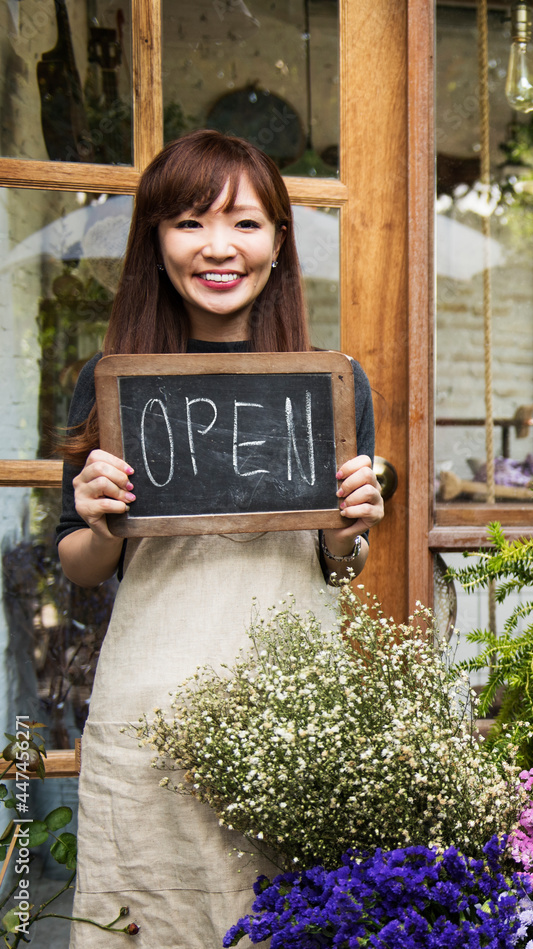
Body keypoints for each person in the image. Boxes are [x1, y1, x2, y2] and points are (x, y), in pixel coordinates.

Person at [56, 129, 383, 947]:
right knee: (144, 920)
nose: (218, 248)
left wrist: (350, 528)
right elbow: (81, 565)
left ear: (278, 241)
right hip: (148, 716)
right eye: (190, 222)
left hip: (293, 716)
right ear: (156, 241)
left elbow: (336, 568)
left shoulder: (331, 383)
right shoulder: (109, 381)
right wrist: (95, 518)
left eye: (244, 223)